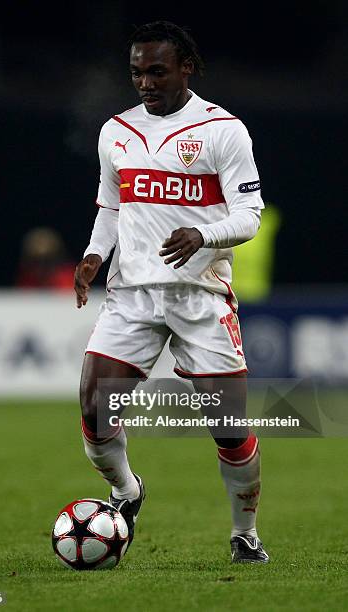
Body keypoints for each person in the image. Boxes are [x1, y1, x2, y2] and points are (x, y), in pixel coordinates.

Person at [74, 21, 269, 564]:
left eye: (156, 70)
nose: (145, 82)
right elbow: (111, 207)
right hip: (132, 295)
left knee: (229, 428)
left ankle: (244, 533)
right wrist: (94, 256)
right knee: (94, 410)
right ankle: (126, 493)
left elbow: (250, 214)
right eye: (137, 72)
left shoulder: (222, 130)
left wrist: (202, 234)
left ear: (186, 68)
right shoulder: (115, 131)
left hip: (199, 295)